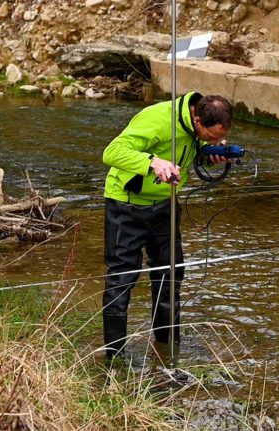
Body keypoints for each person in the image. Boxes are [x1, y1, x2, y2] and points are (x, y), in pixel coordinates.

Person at [101, 91, 233, 359]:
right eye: (212, 136)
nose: (216, 140)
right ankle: (114, 357)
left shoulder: (197, 129)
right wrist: (152, 162)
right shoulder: (158, 119)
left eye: (220, 138)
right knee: (122, 278)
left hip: (165, 206)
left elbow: (188, 153)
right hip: (126, 204)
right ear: (197, 120)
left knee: (170, 275)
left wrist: (210, 153)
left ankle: (167, 349)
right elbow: (111, 152)